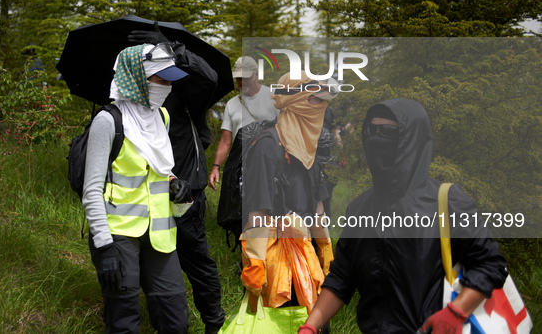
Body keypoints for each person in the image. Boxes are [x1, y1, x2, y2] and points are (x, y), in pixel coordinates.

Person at [298, 98, 508, 334]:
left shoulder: (447, 202)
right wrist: (310, 326)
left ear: (412, 140)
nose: (376, 138)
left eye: (387, 131)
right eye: (371, 130)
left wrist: (456, 312)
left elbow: (490, 265)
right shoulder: (360, 208)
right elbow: (341, 278)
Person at [82, 43, 192, 333]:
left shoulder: (162, 118)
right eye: (161, 79)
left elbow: (157, 169)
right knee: (124, 321)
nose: (167, 86)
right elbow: (92, 190)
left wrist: (173, 183)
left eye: (170, 80)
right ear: (136, 77)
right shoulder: (108, 121)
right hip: (117, 236)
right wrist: (104, 246)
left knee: (176, 320)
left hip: (160, 234)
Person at [128, 29, 226, 333]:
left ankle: (214, 323)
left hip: (186, 192)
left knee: (195, 260)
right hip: (146, 194)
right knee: (152, 259)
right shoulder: (132, 98)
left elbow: (209, 78)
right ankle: (162, 319)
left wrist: (173, 48)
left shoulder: (183, 92)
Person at [240, 73, 337, 314]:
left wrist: (326, 251)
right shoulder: (267, 146)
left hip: (305, 252)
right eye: (316, 101)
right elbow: (257, 212)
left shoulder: (308, 145)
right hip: (276, 259)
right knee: (281, 319)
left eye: (324, 102)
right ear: (296, 102)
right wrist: (255, 263)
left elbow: (318, 206)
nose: (321, 108)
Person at [208, 56, 279, 191]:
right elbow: (225, 141)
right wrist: (216, 167)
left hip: (270, 163)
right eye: (239, 78)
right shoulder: (232, 104)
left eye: (246, 77)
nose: (242, 82)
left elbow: (287, 130)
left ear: (256, 75)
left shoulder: (273, 97)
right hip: (240, 166)